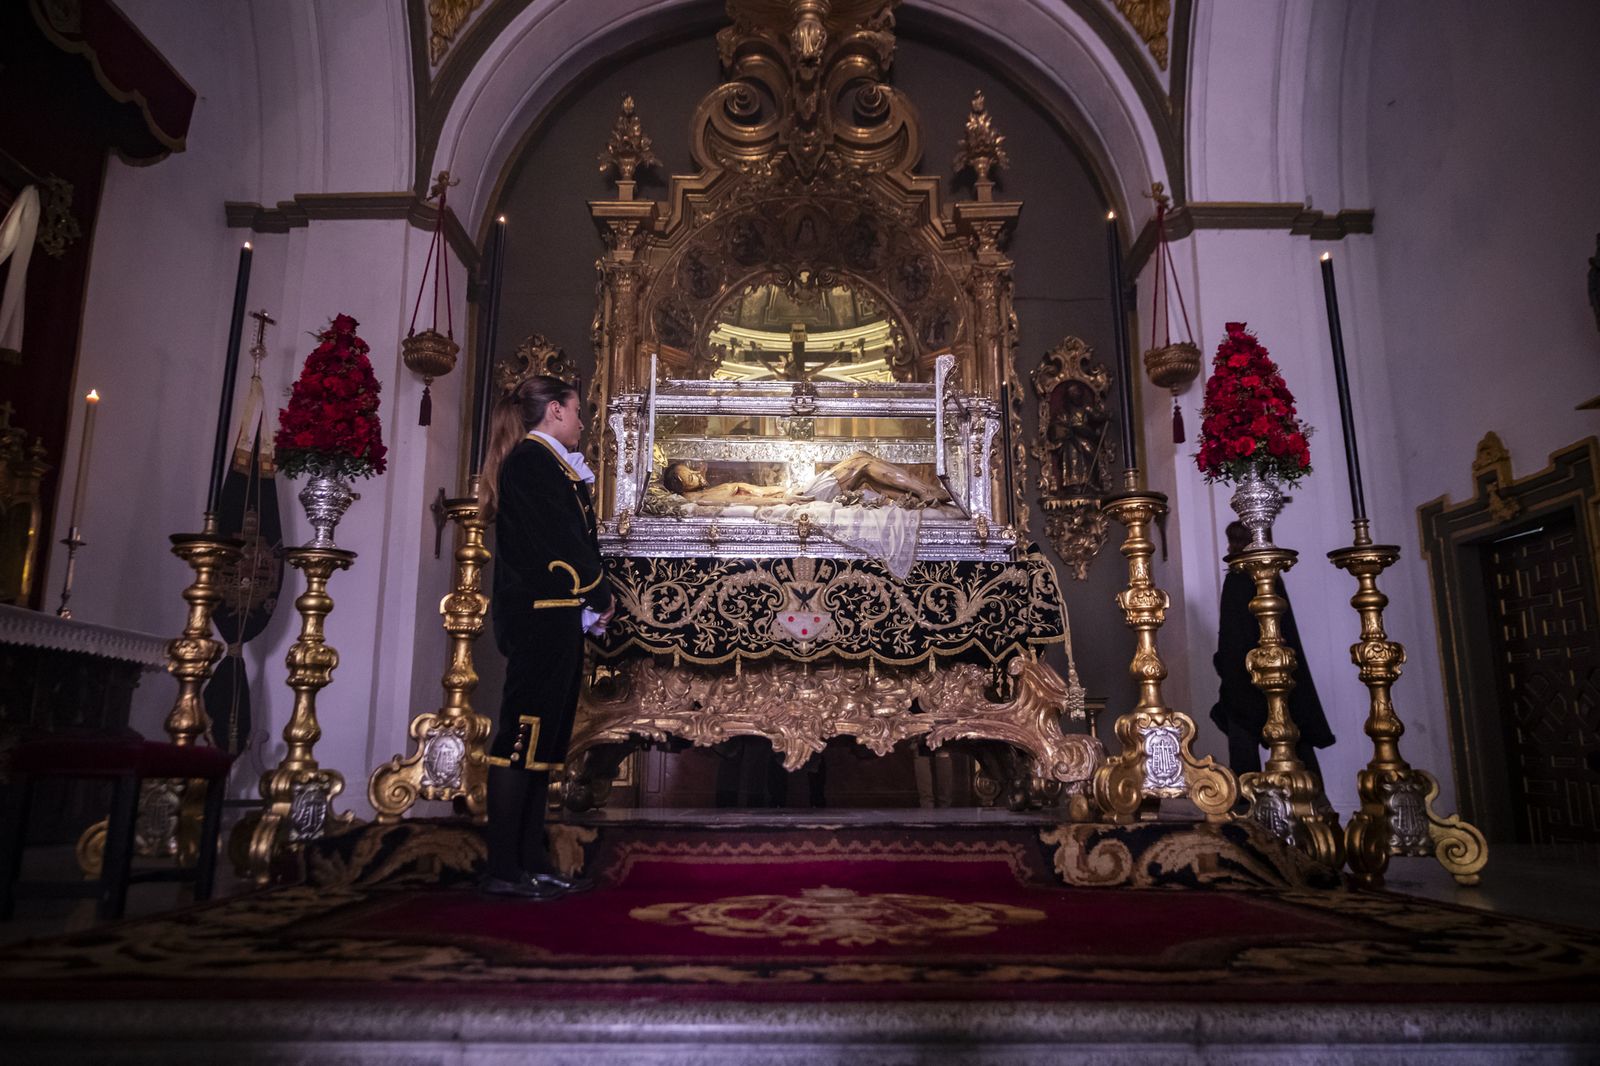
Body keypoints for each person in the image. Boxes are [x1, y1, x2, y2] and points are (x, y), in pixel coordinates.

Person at [477, 374, 614, 899]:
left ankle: (530, 864)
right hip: (539, 618)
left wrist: (587, 603)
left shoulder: (550, 464)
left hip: (556, 617)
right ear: (555, 410)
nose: (582, 422)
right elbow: (559, 542)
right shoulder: (533, 462)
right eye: (577, 411)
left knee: (543, 746)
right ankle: (503, 869)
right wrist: (597, 593)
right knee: (521, 738)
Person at [1209, 521, 1335, 778]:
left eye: (1236, 541)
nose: (1230, 547)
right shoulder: (1262, 577)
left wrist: (1229, 667)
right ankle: (1307, 793)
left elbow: (1235, 634)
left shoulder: (1247, 577)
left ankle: (1253, 794)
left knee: (1266, 734)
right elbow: (1231, 632)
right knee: (1285, 729)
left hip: (1249, 672)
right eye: (1231, 540)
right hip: (1261, 667)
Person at [659, 451, 947, 506]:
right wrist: (786, 499)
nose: (697, 474)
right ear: (681, 485)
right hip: (798, 499)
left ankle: (917, 498)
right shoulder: (702, 499)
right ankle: (926, 491)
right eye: (690, 475)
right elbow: (743, 503)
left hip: (794, 494)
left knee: (862, 474)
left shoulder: (702, 493)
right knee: (861, 461)